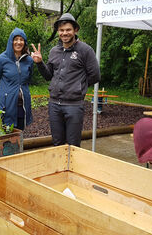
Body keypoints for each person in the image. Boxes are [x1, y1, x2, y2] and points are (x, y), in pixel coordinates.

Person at [31, 13, 100, 146]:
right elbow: (48, 76)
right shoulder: (54, 51)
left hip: (74, 106)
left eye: (68, 30)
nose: (65, 33)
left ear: (75, 30)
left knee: (73, 145)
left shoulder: (85, 50)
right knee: (57, 143)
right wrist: (39, 63)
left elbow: (95, 75)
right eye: (61, 30)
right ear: (58, 32)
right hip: (54, 105)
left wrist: (78, 87)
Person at [0, 27, 33, 130]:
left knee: (20, 133)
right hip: (7, 105)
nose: (18, 42)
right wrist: (8, 90)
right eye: (16, 39)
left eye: (21, 39)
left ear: (25, 42)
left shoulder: (29, 60)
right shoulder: (0, 60)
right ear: (11, 41)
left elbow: (28, 78)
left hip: (22, 105)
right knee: (6, 135)